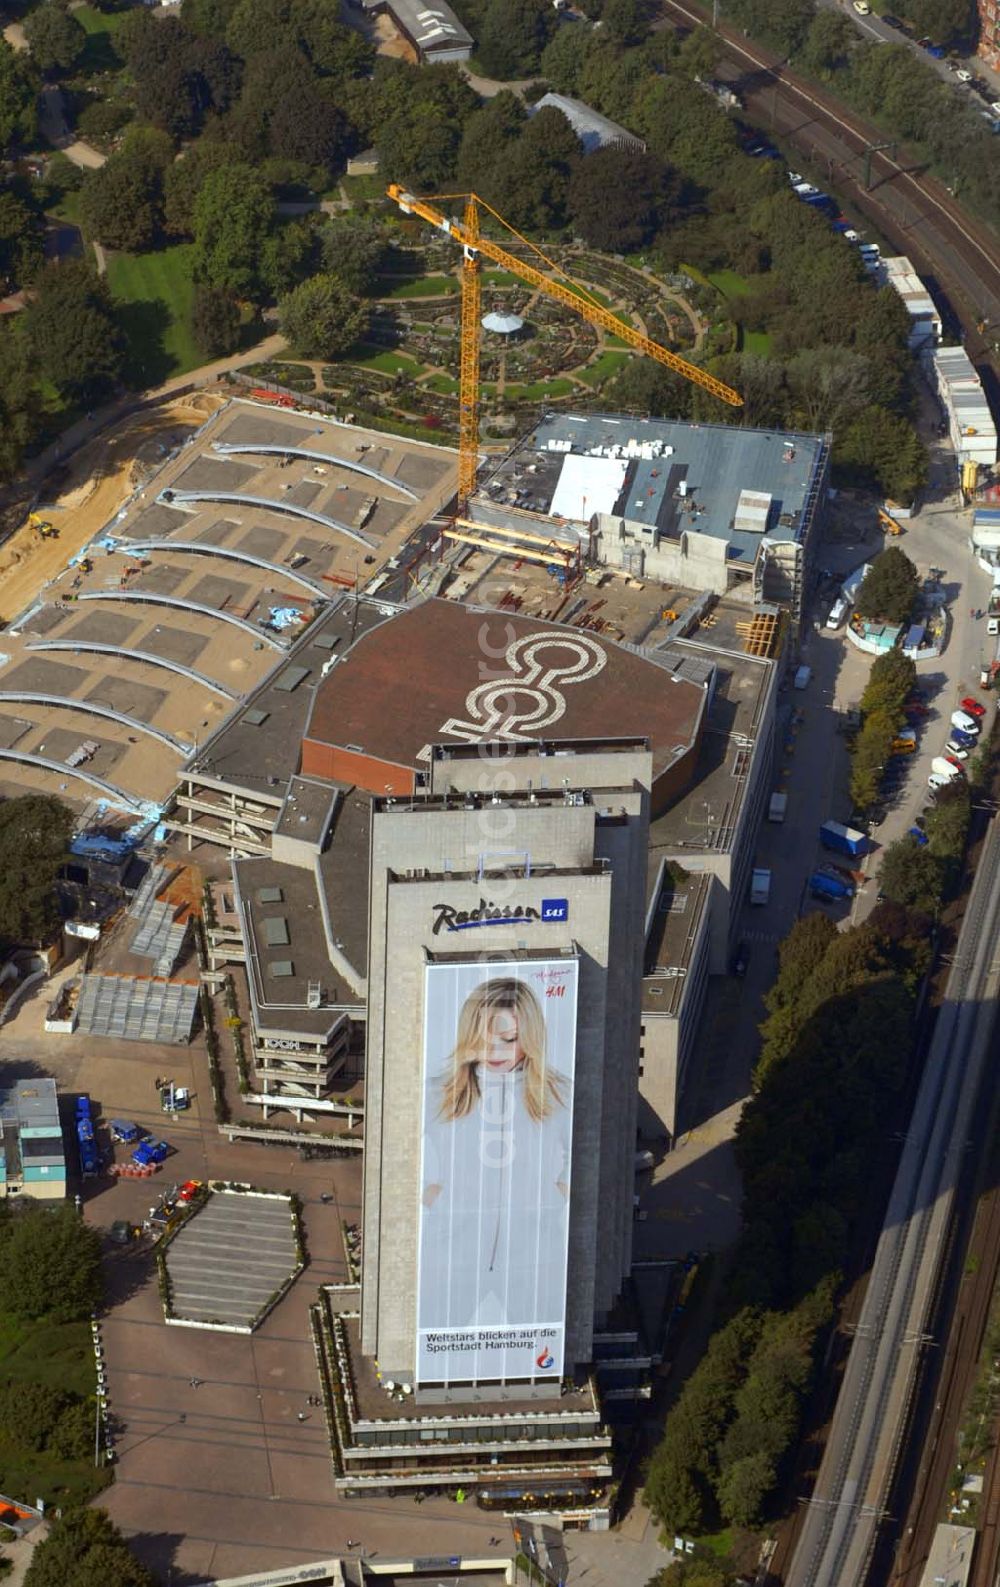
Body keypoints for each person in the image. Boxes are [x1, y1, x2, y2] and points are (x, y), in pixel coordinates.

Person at [419, 976, 571, 1337]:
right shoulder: (436, 1093)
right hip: (454, 1251)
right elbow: (395, 1165)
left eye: (509, 1039)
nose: (495, 1051)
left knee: (540, 1347)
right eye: (482, 1039)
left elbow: (585, 1160)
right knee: (434, 1344)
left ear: (530, 1037)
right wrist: (433, 1197)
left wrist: (554, 1195)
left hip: (532, 1256)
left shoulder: (559, 1093)